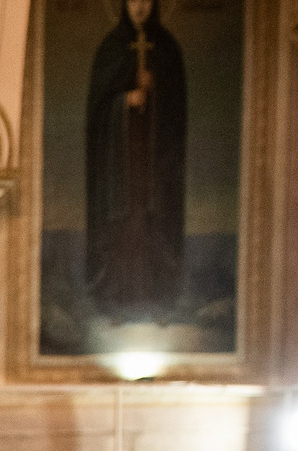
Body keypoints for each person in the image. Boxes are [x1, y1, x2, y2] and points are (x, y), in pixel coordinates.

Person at [86, 0, 188, 320]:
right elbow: (97, 113)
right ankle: (118, 300)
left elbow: (178, 110)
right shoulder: (111, 48)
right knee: (124, 224)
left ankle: (159, 300)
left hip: (156, 162)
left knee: (153, 222)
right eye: (134, 0)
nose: (140, 7)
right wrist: (125, 100)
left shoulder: (167, 48)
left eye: (146, 0)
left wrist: (157, 91)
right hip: (121, 162)